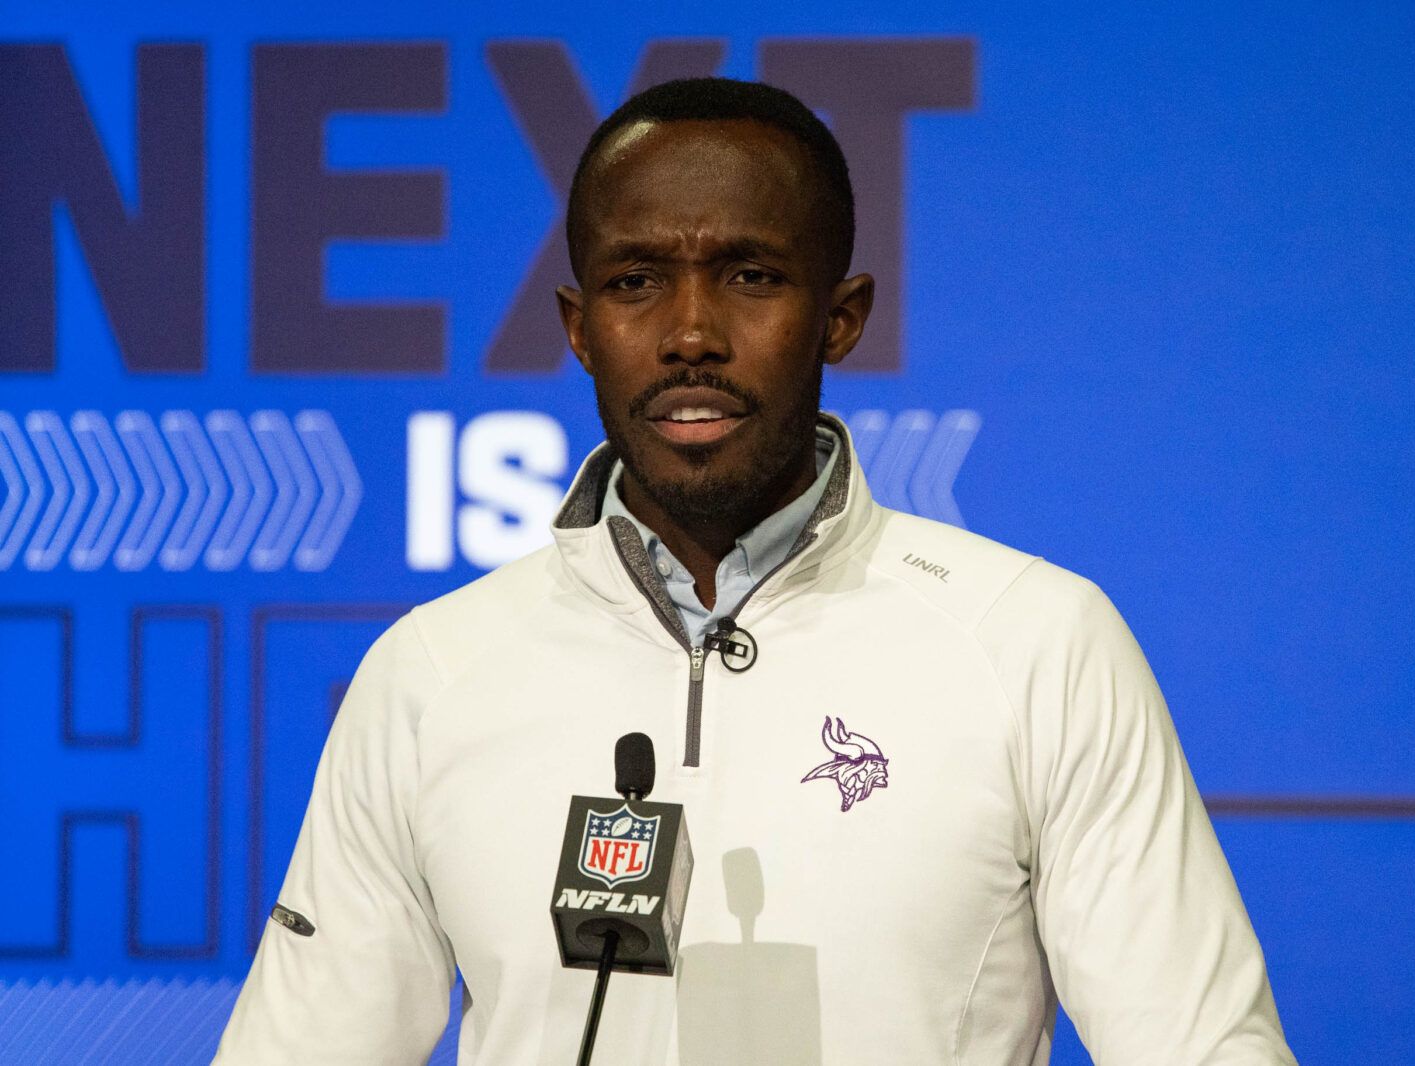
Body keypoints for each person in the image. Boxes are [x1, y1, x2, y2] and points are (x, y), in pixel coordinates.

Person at [215, 77, 1295, 1064]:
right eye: (636, 281)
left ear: (841, 316)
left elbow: (1202, 1046)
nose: (691, 333)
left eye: (750, 275)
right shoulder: (432, 675)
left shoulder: (1033, 642)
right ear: (580, 329)